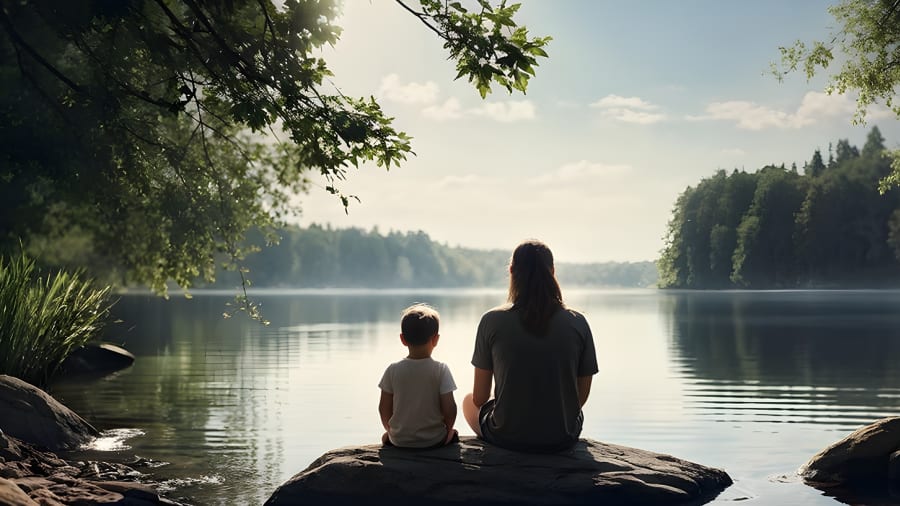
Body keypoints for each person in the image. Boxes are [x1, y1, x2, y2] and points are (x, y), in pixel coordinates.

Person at [462, 240, 598, 452]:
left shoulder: (492, 321)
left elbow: (480, 398)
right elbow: (579, 398)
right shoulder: (578, 322)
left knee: (468, 400)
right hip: (562, 437)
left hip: (506, 437)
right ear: (552, 271)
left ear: (511, 271)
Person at [378, 304, 459, 448]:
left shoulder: (392, 370)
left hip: (400, 440)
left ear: (402, 339)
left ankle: (394, 437)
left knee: (385, 437)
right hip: (433, 439)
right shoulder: (441, 370)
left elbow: (383, 409)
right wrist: (448, 430)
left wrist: (390, 431)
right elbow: (450, 409)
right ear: (436, 339)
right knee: (454, 433)